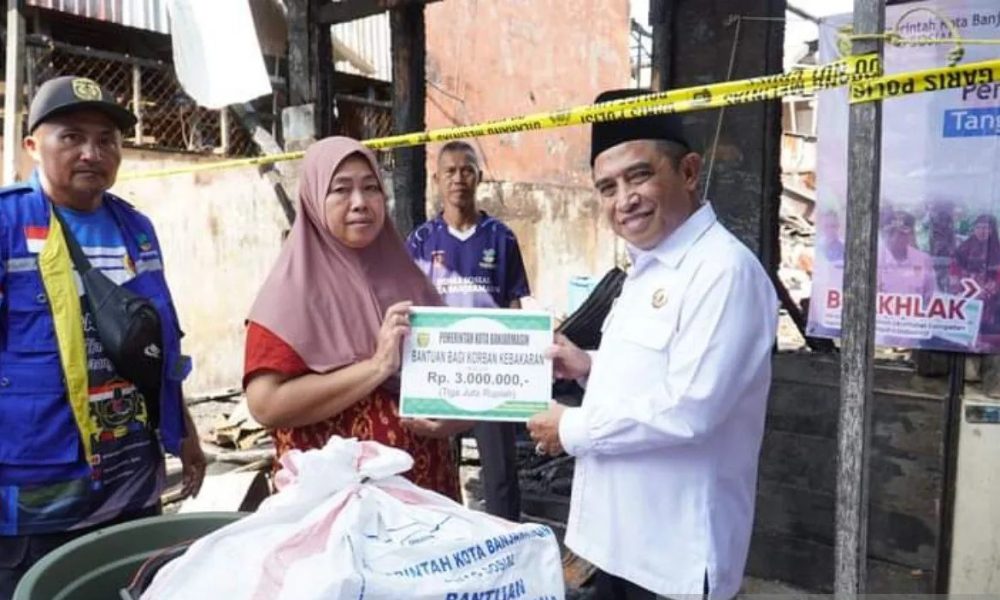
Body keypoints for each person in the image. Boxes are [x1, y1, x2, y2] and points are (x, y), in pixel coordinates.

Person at [527, 88, 778, 600]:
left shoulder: (723, 272)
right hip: (619, 543)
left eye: (639, 176)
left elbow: (691, 408)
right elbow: (651, 373)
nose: (624, 200)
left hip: (673, 559)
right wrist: (587, 365)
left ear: (688, 172)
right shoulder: (646, 267)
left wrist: (569, 427)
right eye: (607, 187)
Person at [0, 76, 205, 598]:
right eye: (71, 136)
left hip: (131, 480)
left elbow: (159, 344)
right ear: (32, 146)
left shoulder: (136, 228)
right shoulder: (6, 223)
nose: (92, 153)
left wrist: (185, 430)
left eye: (106, 139)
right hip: (39, 492)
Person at [244, 137, 468, 500]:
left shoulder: (409, 281)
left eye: (371, 188)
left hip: (422, 490)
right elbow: (265, 404)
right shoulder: (289, 293)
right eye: (341, 189)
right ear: (314, 199)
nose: (360, 202)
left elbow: (456, 381)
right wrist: (376, 367)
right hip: (335, 501)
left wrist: (454, 419)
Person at [406, 140, 530, 521]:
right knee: (435, 470)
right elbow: (410, 306)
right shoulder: (420, 241)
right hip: (439, 371)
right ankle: (443, 538)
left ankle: (506, 541)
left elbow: (514, 305)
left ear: (479, 177)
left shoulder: (502, 238)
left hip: (488, 373)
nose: (458, 178)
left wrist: (516, 371)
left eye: (466, 170)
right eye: (450, 171)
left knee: (500, 474)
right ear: (437, 180)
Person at [951, 214, 1000, 335]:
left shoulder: (997, 249)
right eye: (978, 227)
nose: (981, 231)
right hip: (967, 291)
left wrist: (990, 289)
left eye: (986, 228)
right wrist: (961, 286)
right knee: (967, 324)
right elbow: (954, 269)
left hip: (991, 294)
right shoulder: (963, 248)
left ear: (992, 230)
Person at [877, 208, 937, 300]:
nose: (895, 237)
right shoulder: (875, 259)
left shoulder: (923, 259)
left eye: (902, 234)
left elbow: (932, 295)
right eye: (891, 232)